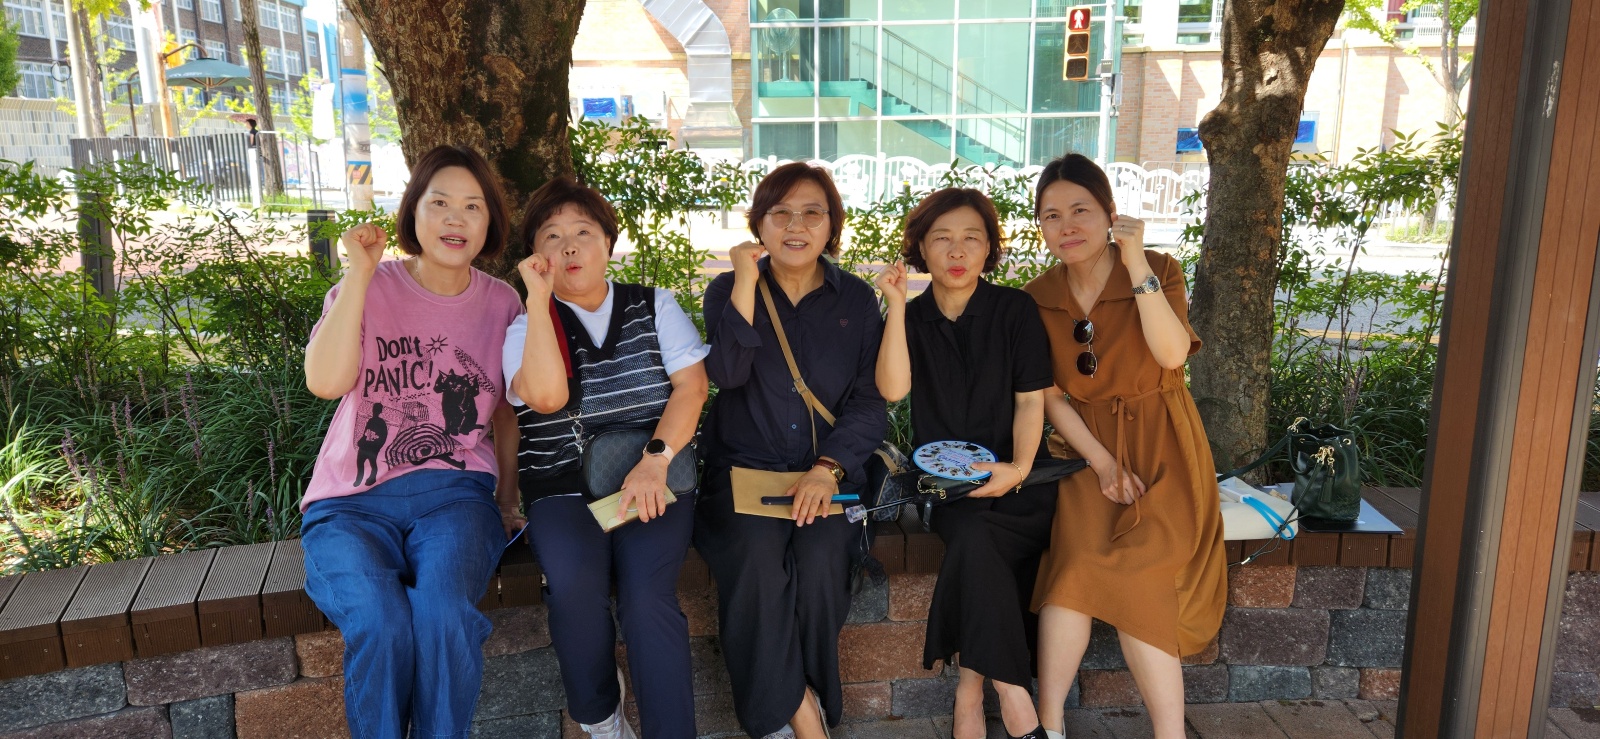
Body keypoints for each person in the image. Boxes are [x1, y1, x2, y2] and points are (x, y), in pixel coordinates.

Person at [299, 144, 525, 739]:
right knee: (380, 622)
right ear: (413, 212)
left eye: (473, 206)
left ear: (490, 222)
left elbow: (505, 412)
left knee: (445, 615)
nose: (456, 218)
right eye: (440, 202)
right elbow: (325, 382)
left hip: (454, 497)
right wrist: (359, 274)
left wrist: (506, 501)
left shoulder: (501, 302)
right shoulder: (370, 285)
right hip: (350, 502)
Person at [1025, 153, 1227, 739]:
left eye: (1081, 210)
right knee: (1071, 573)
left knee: (1142, 572)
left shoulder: (1158, 269)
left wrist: (1135, 261)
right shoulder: (1036, 297)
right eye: (1052, 215)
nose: (1067, 226)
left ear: (1110, 213)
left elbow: (1171, 354)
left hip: (1164, 446)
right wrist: (1102, 462)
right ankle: (1049, 728)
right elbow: (1051, 397)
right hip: (1087, 450)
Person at [502, 177, 710, 739]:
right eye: (552, 236)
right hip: (562, 486)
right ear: (534, 255)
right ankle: (601, 718)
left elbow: (691, 388)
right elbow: (546, 398)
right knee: (575, 590)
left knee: (647, 599)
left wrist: (656, 459)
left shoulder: (654, 305)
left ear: (608, 244)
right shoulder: (524, 327)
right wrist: (540, 303)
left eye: (583, 233)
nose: (569, 247)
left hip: (651, 478)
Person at [696, 162, 888, 739]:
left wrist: (828, 469)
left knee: (823, 562)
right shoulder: (729, 289)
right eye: (780, 213)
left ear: (832, 225)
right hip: (742, 475)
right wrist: (745, 281)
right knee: (756, 562)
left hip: (828, 476)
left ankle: (795, 705)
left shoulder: (856, 300)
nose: (796, 225)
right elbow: (727, 374)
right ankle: (802, 713)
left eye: (812, 213)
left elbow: (869, 401)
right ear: (759, 224)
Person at [874, 188, 1055, 739]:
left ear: (989, 248)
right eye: (942, 239)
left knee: (979, 547)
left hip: (1023, 477)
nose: (957, 251)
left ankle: (970, 691)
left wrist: (1017, 469)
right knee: (974, 535)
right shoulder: (911, 317)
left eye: (972, 238)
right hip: (947, 483)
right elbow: (893, 389)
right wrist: (897, 306)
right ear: (920, 249)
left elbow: (1031, 402)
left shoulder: (1014, 309)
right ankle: (1014, 694)